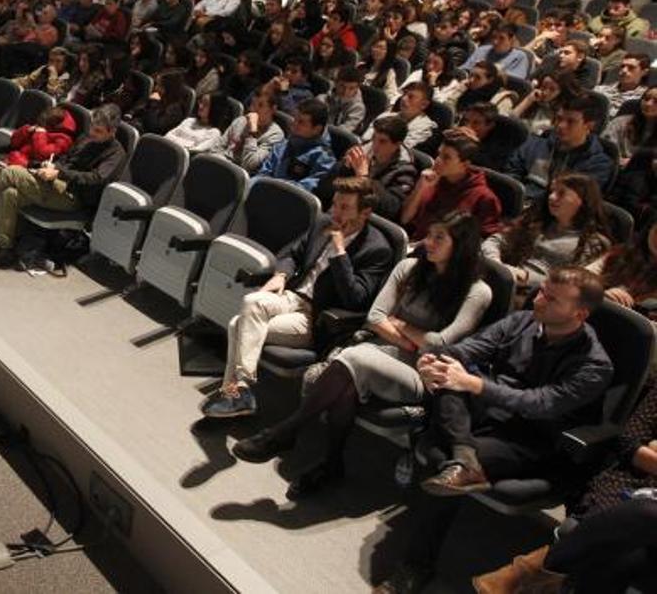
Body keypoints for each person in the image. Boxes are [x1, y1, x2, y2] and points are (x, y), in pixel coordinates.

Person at [373, 268, 611, 593]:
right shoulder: (522, 321)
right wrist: (434, 363)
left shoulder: (595, 365)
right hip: (483, 415)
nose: (538, 299)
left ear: (579, 313)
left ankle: (416, 565)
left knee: (444, 461)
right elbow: (466, 349)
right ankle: (464, 458)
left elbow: (539, 404)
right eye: (541, 291)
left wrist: (473, 383)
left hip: (529, 438)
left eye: (551, 299)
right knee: (448, 378)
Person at [231, 212, 492, 500]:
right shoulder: (410, 267)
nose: (428, 242)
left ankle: (285, 432)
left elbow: (441, 345)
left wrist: (400, 325)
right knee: (348, 383)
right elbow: (375, 317)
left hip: (422, 372)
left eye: (439, 238)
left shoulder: (478, 292)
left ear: (461, 246)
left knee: (354, 360)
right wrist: (413, 338)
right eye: (429, 234)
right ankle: (332, 464)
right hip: (376, 349)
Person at [201, 177, 394, 421]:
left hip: (316, 318)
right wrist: (281, 274)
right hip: (292, 296)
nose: (336, 212)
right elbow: (293, 252)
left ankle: (235, 394)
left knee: (237, 324)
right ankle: (241, 392)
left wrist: (340, 253)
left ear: (365, 212)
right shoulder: (323, 222)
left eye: (345, 208)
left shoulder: (378, 249)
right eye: (335, 204)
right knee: (252, 301)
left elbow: (354, 299)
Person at [473, 383, 657, 593]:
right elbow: (629, 443)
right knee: (617, 558)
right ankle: (537, 577)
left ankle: (531, 571)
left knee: (648, 513)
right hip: (631, 486)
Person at [0, 104, 126, 271]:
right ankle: (4, 251)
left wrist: (59, 173)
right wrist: (51, 166)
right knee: (10, 194)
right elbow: (67, 160)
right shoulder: (88, 139)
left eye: (99, 131)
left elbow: (96, 178)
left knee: (11, 173)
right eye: (92, 127)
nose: (92, 132)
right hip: (58, 184)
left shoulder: (116, 153)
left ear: (112, 132)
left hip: (74, 197)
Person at [482, 173, 610, 297]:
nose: (552, 197)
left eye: (561, 193)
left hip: (539, 296)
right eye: (551, 192)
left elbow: (573, 285)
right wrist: (495, 262)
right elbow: (496, 239)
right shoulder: (536, 220)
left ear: (582, 201)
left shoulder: (593, 242)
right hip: (504, 276)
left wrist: (525, 277)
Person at [504, 95, 615, 206]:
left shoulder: (598, 164)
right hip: (516, 205)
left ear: (589, 125)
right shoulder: (534, 145)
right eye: (559, 118)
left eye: (571, 121)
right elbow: (510, 176)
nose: (561, 125)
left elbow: (574, 203)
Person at [401, 128, 503, 241]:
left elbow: (484, 241)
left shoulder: (484, 198)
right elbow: (405, 218)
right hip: (415, 243)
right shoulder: (432, 179)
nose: (438, 161)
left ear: (465, 164)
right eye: (439, 154)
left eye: (446, 158)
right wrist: (420, 187)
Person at [326, 115, 418, 220]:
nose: (375, 145)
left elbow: (391, 209)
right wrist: (345, 167)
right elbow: (326, 187)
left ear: (397, 144)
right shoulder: (363, 150)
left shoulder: (405, 171)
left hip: (367, 219)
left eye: (382, 141)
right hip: (339, 208)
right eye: (374, 138)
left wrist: (364, 178)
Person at [255, 98, 337, 193]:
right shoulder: (283, 145)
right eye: (295, 119)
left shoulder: (324, 159)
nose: (294, 124)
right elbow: (263, 172)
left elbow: (303, 191)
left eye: (301, 122)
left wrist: (272, 186)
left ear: (317, 129)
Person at [363, 81, 437, 151]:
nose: (403, 99)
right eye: (404, 94)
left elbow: (401, 150)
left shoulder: (424, 127)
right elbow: (365, 138)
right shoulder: (386, 115)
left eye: (411, 97)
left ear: (424, 104)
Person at [603, 85, 657, 165]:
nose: (648, 104)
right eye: (646, 99)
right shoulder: (620, 122)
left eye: (656, 101)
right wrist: (619, 161)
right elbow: (604, 148)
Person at [459, 25, 532, 80]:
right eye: (494, 37)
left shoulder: (519, 57)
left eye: (501, 38)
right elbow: (465, 69)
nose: (495, 42)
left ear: (512, 40)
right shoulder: (482, 50)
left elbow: (515, 81)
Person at [595, 53, 650, 121]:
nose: (624, 70)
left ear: (644, 72)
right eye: (622, 66)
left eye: (631, 68)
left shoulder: (645, 99)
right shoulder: (599, 90)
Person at [587, 0, 651, 39]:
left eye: (616, 8)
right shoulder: (600, 19)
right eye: (609, 8)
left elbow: (627, 41)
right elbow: (592, 25)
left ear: (627, 7)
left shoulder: (638, 24)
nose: (611, 11)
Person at [325, 65, 366, 134]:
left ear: (357, 88)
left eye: (351, 88)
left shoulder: (358, 108)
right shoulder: (324, 98)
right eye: (342, 86)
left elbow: (344, 131)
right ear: (335, 83)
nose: (345, 92)